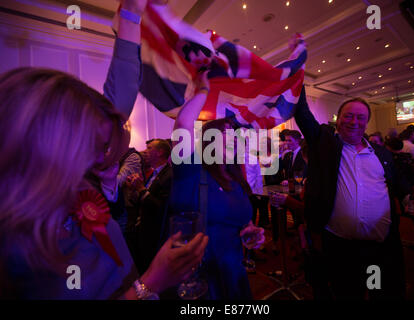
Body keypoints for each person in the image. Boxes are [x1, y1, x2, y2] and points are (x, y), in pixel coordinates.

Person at [0, 0, 208, 299]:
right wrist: (151, 282)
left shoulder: (76, 185)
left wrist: (131, 15)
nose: (104, 148)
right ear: (48, 146)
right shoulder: (18, 250)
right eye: (88, 137)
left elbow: (118, 98)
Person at [290, 44, 414, 298]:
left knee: (383, 293)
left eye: (360, 118)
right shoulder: (325, 144)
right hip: (341, 248)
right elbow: (301, 113)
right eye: (348, 116)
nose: (354, 122)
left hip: (381, 247)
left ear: (367, 122)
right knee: (348, 294)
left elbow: (399, 184)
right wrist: (297, 68)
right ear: (338, 118)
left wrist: (411, 199)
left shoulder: (382, 153)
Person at [169, 71, 265, 299]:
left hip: (233, 271)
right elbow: (183, 123)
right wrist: (203, 88)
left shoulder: (237, 180)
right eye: (227, 135)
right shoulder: (191, 172)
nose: (234, 140)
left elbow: (241, 222)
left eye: (236, 136)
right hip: (199, 277)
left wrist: (249, 232)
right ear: (210, 140)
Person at [126, 139, 173, 274]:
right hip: (142, 233)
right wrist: (135, 189)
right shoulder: (154, 173)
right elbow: (143, 201)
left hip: (154, 237)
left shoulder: (168, 175)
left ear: (160, 152)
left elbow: (160, 207)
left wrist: (141, 189)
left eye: (149, 148)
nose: (145, 152)